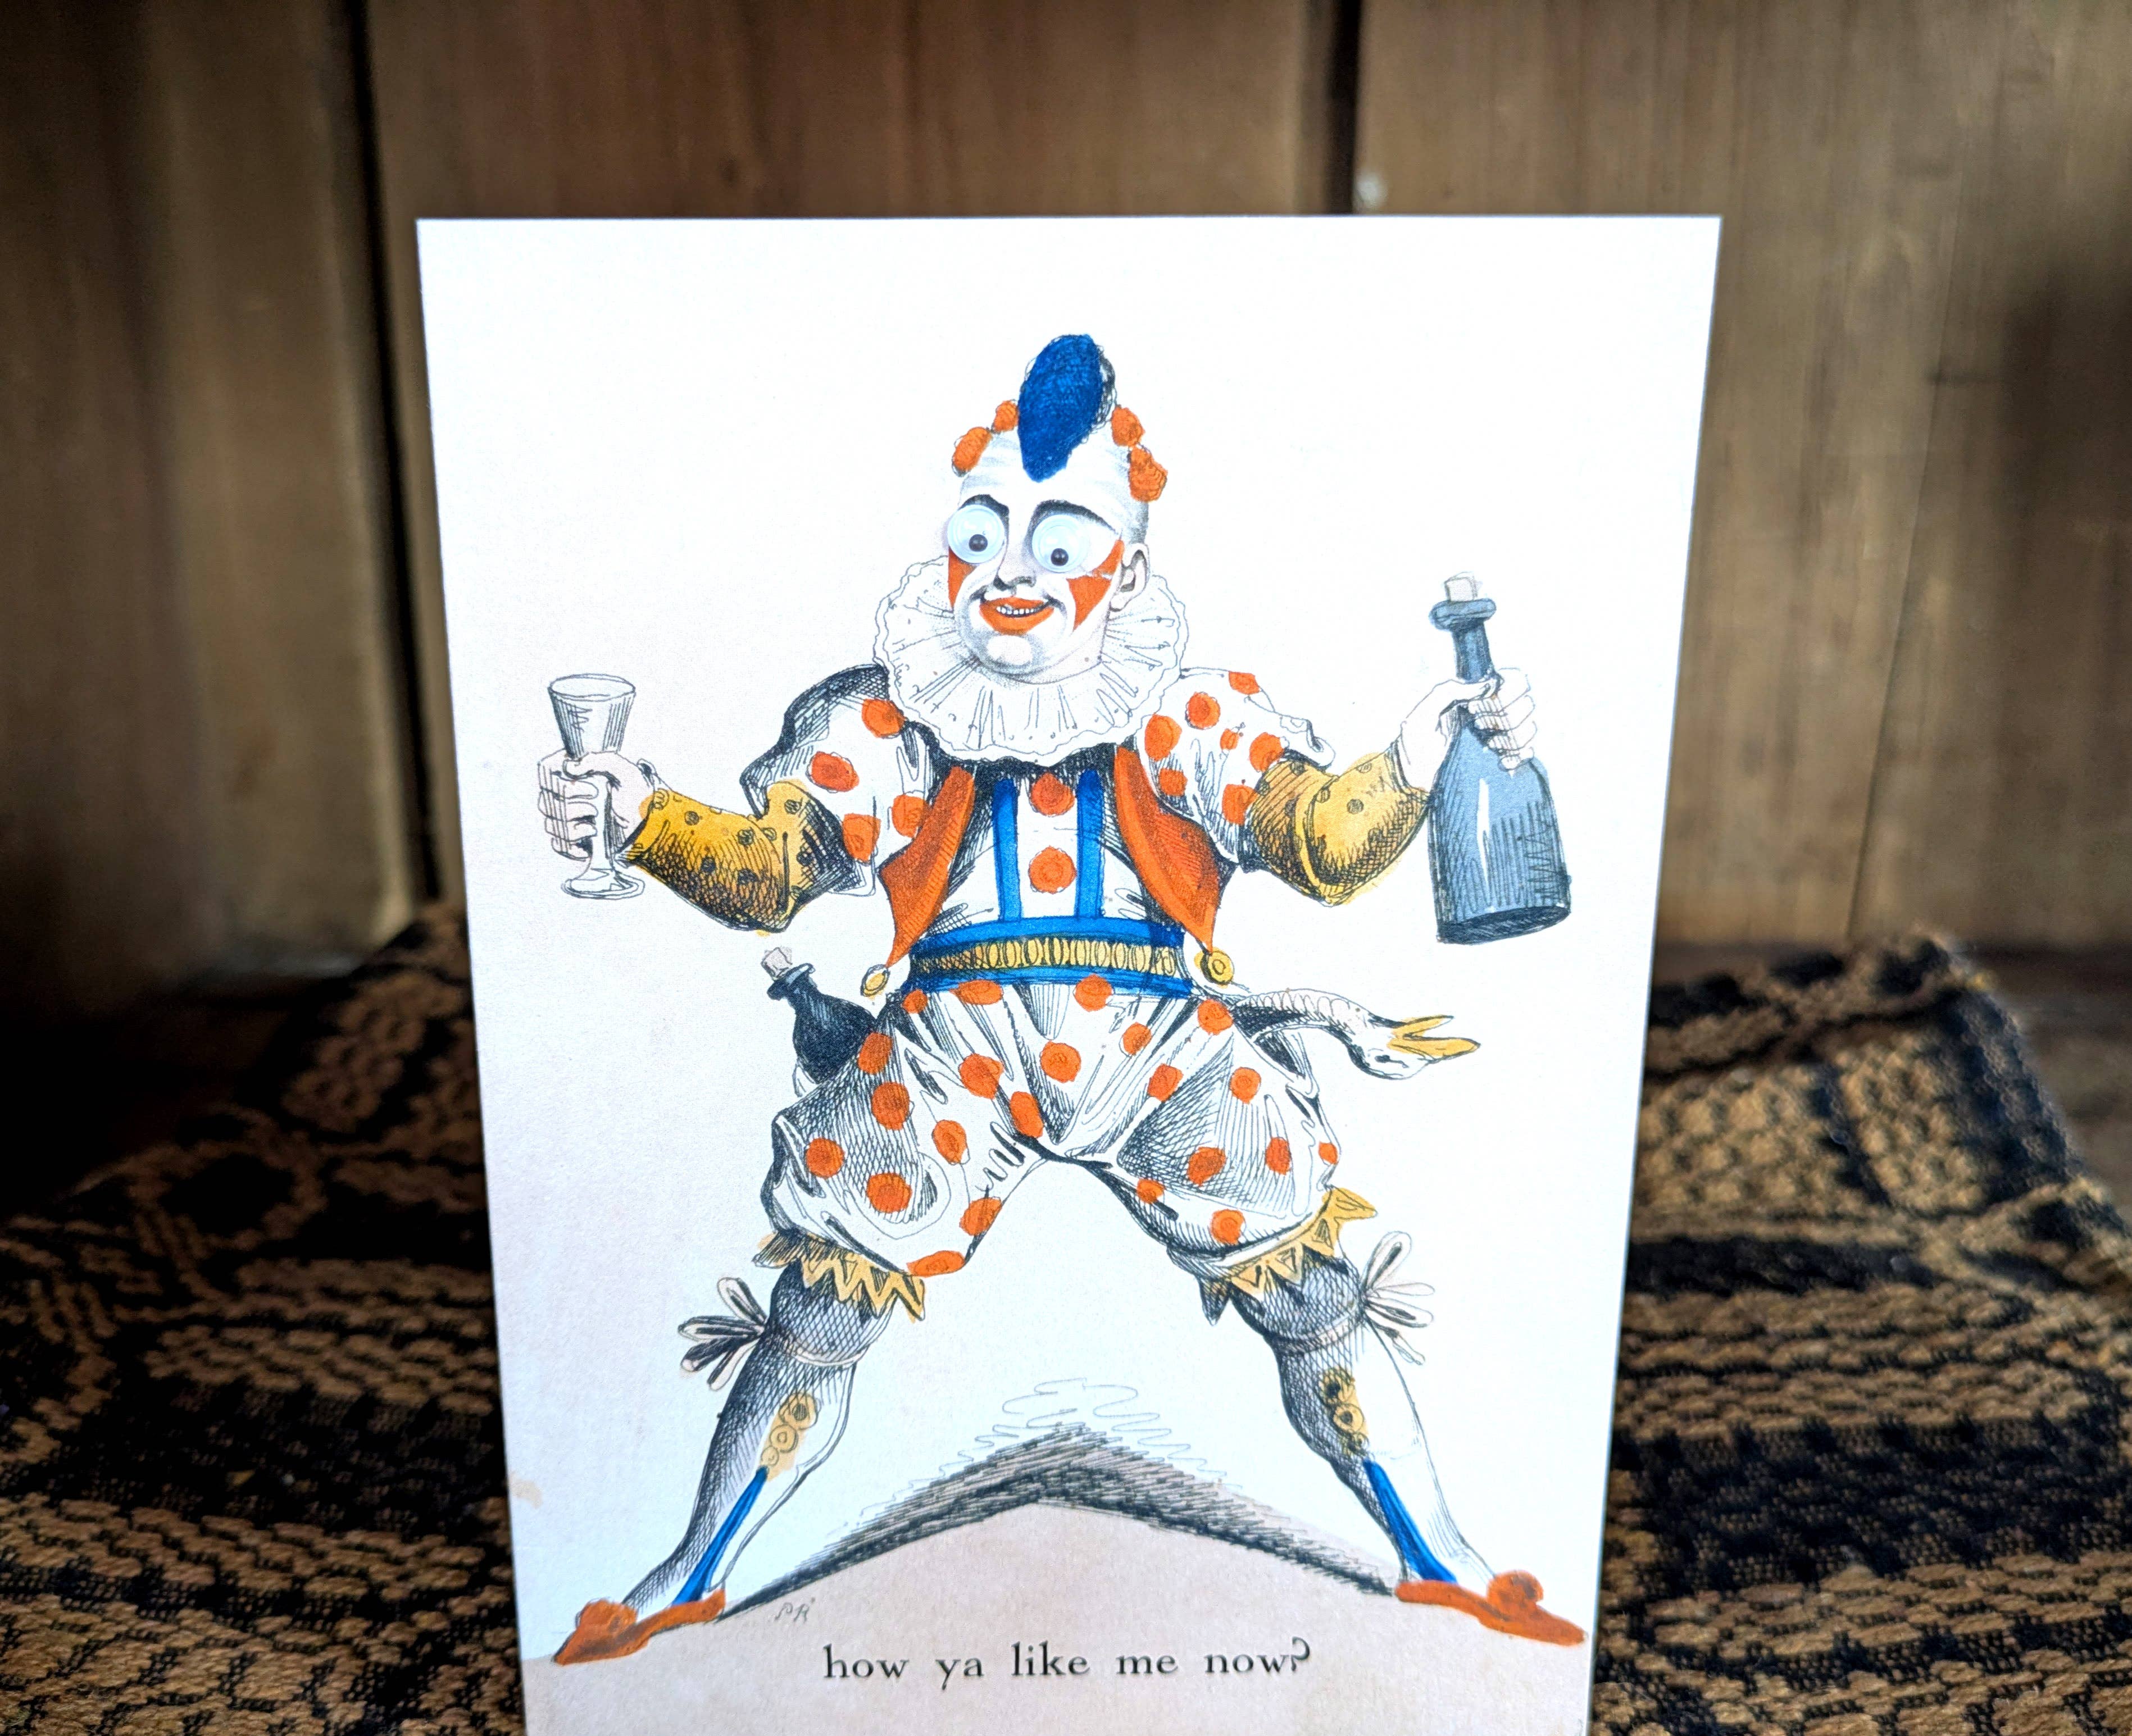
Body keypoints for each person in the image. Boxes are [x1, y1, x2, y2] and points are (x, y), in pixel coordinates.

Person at [538, 334, 1581, 1664]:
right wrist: (640, 815)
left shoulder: (1186, 717)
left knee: (1309, 1293)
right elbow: (768, 873)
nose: (1012, 571)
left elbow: (1322, 846)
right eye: (981, 535)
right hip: (951, 1050)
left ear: (1124, 569)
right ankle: (686, 1576)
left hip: (1157, 1044)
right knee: (819, 1312)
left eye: (1059, 539)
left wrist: (1419, 752)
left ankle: (1444, 1562)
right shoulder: (890, 723)